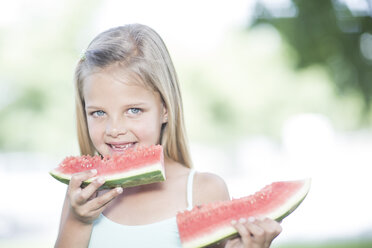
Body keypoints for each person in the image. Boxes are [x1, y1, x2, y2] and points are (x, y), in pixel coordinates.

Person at [55, 23, 282, 248]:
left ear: (164, 109)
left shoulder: (202, 190)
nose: (114, 129)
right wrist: (79, 220)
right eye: (98, 113)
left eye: (134, 110)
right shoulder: (83, 194)